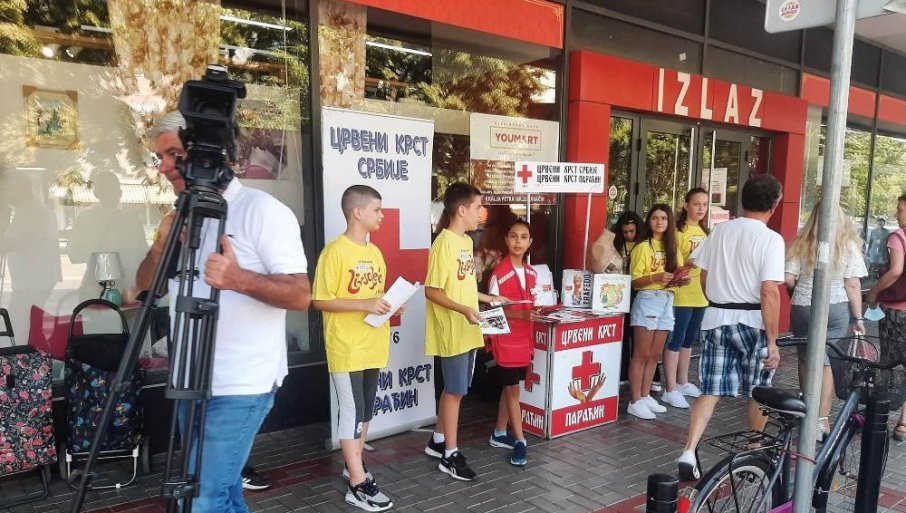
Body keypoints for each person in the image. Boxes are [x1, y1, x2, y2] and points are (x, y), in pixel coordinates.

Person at [137, 111, 311, 513]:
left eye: (173, 154)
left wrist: (238, 279)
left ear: (208, 153)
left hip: (241, 383)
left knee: (202, 498)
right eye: (160, 157)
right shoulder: (179, 216)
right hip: (190, 380)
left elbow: (301, 295)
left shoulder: (261, 210)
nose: (163, 167)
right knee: (224, 492)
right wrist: (161, 246)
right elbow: (147, 286)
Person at [677, 175, 784, 480]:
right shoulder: (771, 239)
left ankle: (688, 450)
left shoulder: (721, 231)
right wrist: (773, 341)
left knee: (710, 390)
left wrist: (717, 298)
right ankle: (753, 453)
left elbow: (702, 273)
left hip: (716, 319)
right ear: (774, 205)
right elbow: (769, 291)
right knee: (758, 391)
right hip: (752, 322)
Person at [313, 185, 404, 511]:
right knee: (351, 412)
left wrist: (392, 305)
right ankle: (357, 483)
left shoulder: (375, 252)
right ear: (357, 212)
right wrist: (364, 303)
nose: (381, 215)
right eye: (377, 209)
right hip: (346, 347)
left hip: (373, 344)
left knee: (365, 411)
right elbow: (320, 300)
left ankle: (354, 464)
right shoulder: (334, 252)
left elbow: (376, 297)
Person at [423, 182, 507, 481]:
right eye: (477, 207)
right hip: (453, 329)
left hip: (468, 327)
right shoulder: (443, 244)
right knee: (456, 391)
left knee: (455, 388)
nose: (480, 213)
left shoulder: (465, 243)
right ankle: (450, 455)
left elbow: (465, 287)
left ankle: (437, 441)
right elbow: (432, 291)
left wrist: (489, 299)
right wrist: (463, 310)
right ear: (461, 210)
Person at [785, 201, 867, 440]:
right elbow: (852, 284)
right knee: (827, 362)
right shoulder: (847, 244)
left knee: (805, 358)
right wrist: (858, 318)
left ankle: (806, 412)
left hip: (803, 306)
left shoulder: (800, 241)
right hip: (835, 307)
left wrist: (800, 296)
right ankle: (821, 420)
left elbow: (788, 279)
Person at [627, 204, 687, 420]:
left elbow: (677, 274)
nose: (659, 222)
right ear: (649, 221)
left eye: (663, 218)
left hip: (667, 299)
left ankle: (645, 396)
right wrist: (655, 277)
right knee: (641, 354)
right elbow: (635, 281)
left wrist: (681, 280)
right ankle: (635, 401)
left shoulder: (673, 249)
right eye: (654, 218)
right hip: (648, 299)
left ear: (669, 222)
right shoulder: (642, 247)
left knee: (654, 354)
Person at [486, 220, 538, 466]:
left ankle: (499, 432)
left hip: (525, 340)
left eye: (523, 237)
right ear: (506, 240)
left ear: (530, 242)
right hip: (505, 341)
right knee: (513, 390)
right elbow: (491, 313)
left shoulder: (533, 274)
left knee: (511, 389)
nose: (518, 241)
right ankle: (520, 441)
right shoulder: (498, 274)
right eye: (514, 236)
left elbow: (537, 304)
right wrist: (521, 315)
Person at [662, 189, 709, 409]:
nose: (701, 208)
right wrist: (694, 260)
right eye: (697, 204)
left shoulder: (705, 231)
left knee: (689, 340)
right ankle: (670, 388)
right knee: (676, 339)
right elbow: (674, 264)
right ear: (686, 205)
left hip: (700, 294)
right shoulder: (677, 232)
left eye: (705, 204)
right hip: (680, 293)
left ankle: (682, 381)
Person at [866, 193, 906, 442]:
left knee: (890, 363)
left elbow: (895, 271)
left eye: (900, 209)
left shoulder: (898, 237)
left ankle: (879, 414)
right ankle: (903, 422)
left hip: (896, 311)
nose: (896, 213)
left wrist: (873, 292)